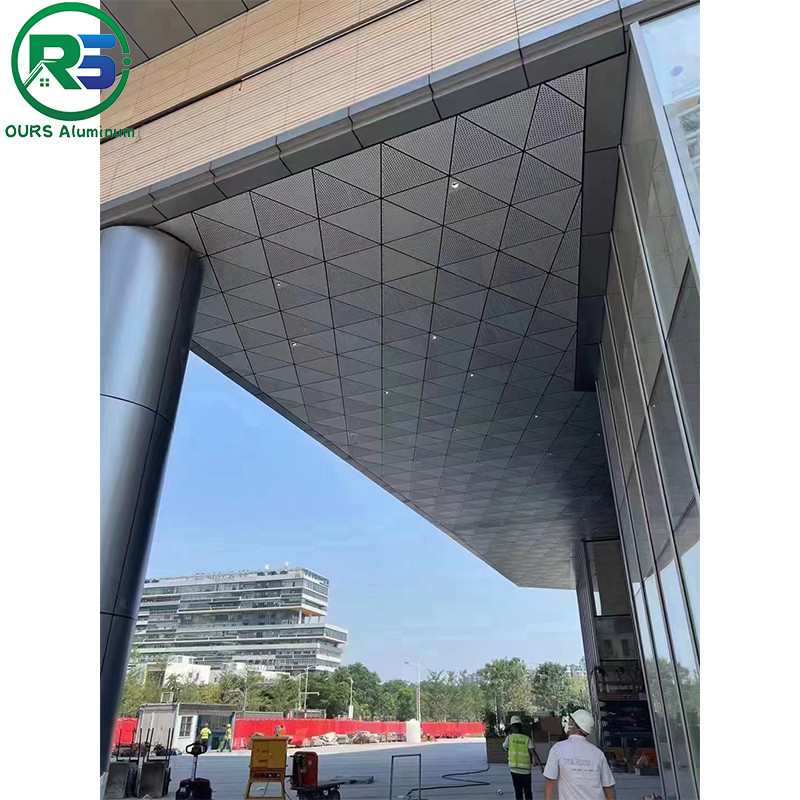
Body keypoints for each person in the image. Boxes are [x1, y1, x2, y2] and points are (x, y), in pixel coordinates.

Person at [543, 710, 616, 800]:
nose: (568, 723)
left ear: (575, 725)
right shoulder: (597, 753)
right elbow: (608, 785)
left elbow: (550, 780)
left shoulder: (558, 749)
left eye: (571, 721)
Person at [502, 715, 539, 800]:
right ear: (520, 727)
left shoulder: (509, 738)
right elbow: (533, 753)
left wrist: (507, 735)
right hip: (526, 771)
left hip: (514, 770)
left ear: (511, 727)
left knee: (518, 792)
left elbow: (504, 748)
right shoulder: (527, 739)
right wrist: (541, 767)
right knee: (528, 792)